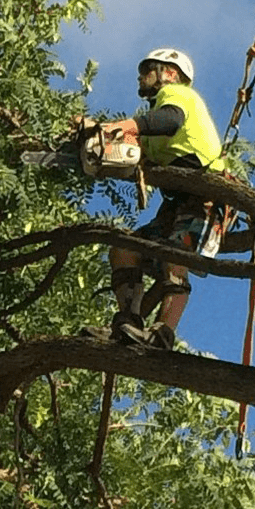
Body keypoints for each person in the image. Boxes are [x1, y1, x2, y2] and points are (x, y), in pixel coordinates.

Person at [80, 47, 222, 348]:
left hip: (206, 194)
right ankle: (128, 322)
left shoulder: (179, 96)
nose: (141, 78)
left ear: (169, 73)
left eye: (148, 71)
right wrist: (98, 133)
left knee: (175, 254)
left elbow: (169, 120)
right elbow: (132, 149)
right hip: (176, 202)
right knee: (125, 249)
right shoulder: (151, 123)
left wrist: (124, 125)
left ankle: (163, 334)